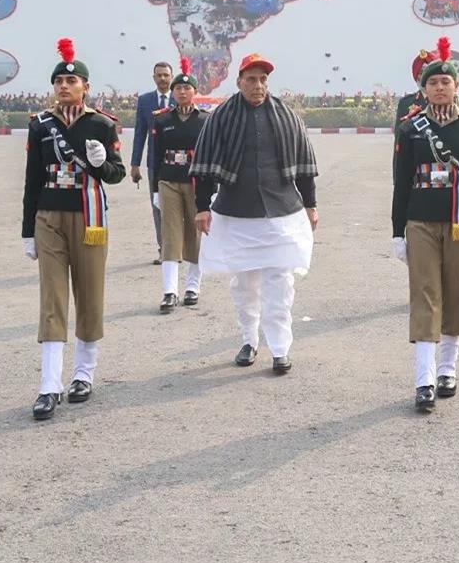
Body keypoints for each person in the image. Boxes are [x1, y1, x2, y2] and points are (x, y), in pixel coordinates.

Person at [190, 52, 319, 374]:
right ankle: (249, 341)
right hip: (237, 213)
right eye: (251, 79)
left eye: (263, 79)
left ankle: (280, 348)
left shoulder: (287, 116)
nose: (258, 85)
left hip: (281, 212)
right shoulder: (221, 117)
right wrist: (202, 207)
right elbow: (204, 168)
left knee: (280, 284)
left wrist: (311, 205)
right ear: (239, 82)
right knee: (245, 284)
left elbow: (304, 164)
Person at [23, 38, 126, 419]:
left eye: (72, 80)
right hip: (49, 215)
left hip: (89, 217)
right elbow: (33, 179)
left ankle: (83, 373)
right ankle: (49, 385)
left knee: (89, 292)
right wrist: (27, 229)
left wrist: (100, 164)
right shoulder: (41, 125)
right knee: (51, 298)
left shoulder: (101, 124)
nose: (64, 86)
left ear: (86, 86)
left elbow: (114, 175)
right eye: (58, 82)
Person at [392, 37, 459, 412]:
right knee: (425, 295)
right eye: (432, 82)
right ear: (423, 88)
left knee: (455, 292)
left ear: (456, 85)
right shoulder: (411, 128)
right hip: (421, 220)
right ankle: (424, 378)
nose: (439, 87)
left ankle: (448, 368)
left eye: (445, 81)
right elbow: (401, 183)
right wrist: (396, 230)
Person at [151, 57, 208, 313]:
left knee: (195, 233)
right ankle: (169, 291)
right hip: (169, 180)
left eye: (187, 88)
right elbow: (155, 155)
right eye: (178, 88)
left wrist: (212, 188)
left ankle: (192, 286)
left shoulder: (205, 120)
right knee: (170, 233)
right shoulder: (162, 120)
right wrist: (154, 188)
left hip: (196, 181)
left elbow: (210, 155)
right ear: (172, 92)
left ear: (195, 92)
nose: (182, 92)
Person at [131, 61, 175, 264]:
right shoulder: (145, 101)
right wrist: (134, 164)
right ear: (154, 78)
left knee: (179, 207)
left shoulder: (181, 97)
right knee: (157, 206)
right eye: (159, 75)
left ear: (171, 76)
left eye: (166, 75)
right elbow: (139, 134)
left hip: (180, 164)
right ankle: (163, 248)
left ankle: (178, 247)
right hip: (154, 165)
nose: (163, 79)